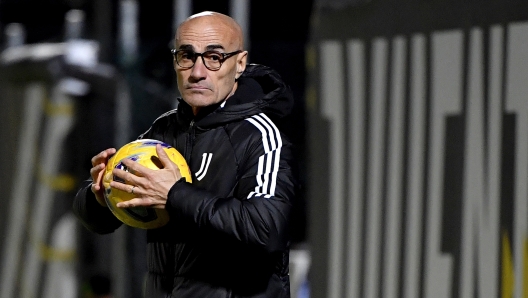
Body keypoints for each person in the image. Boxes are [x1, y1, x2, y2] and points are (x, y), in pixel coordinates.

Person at [73, 10, 298, 298]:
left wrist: (175, 195)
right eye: (187, 55)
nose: (197, 72)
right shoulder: (164, 130)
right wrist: (99, 195)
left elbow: (267, 230)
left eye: (214, 58)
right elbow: (101, 222)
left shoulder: (260, 135)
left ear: (239, 63)